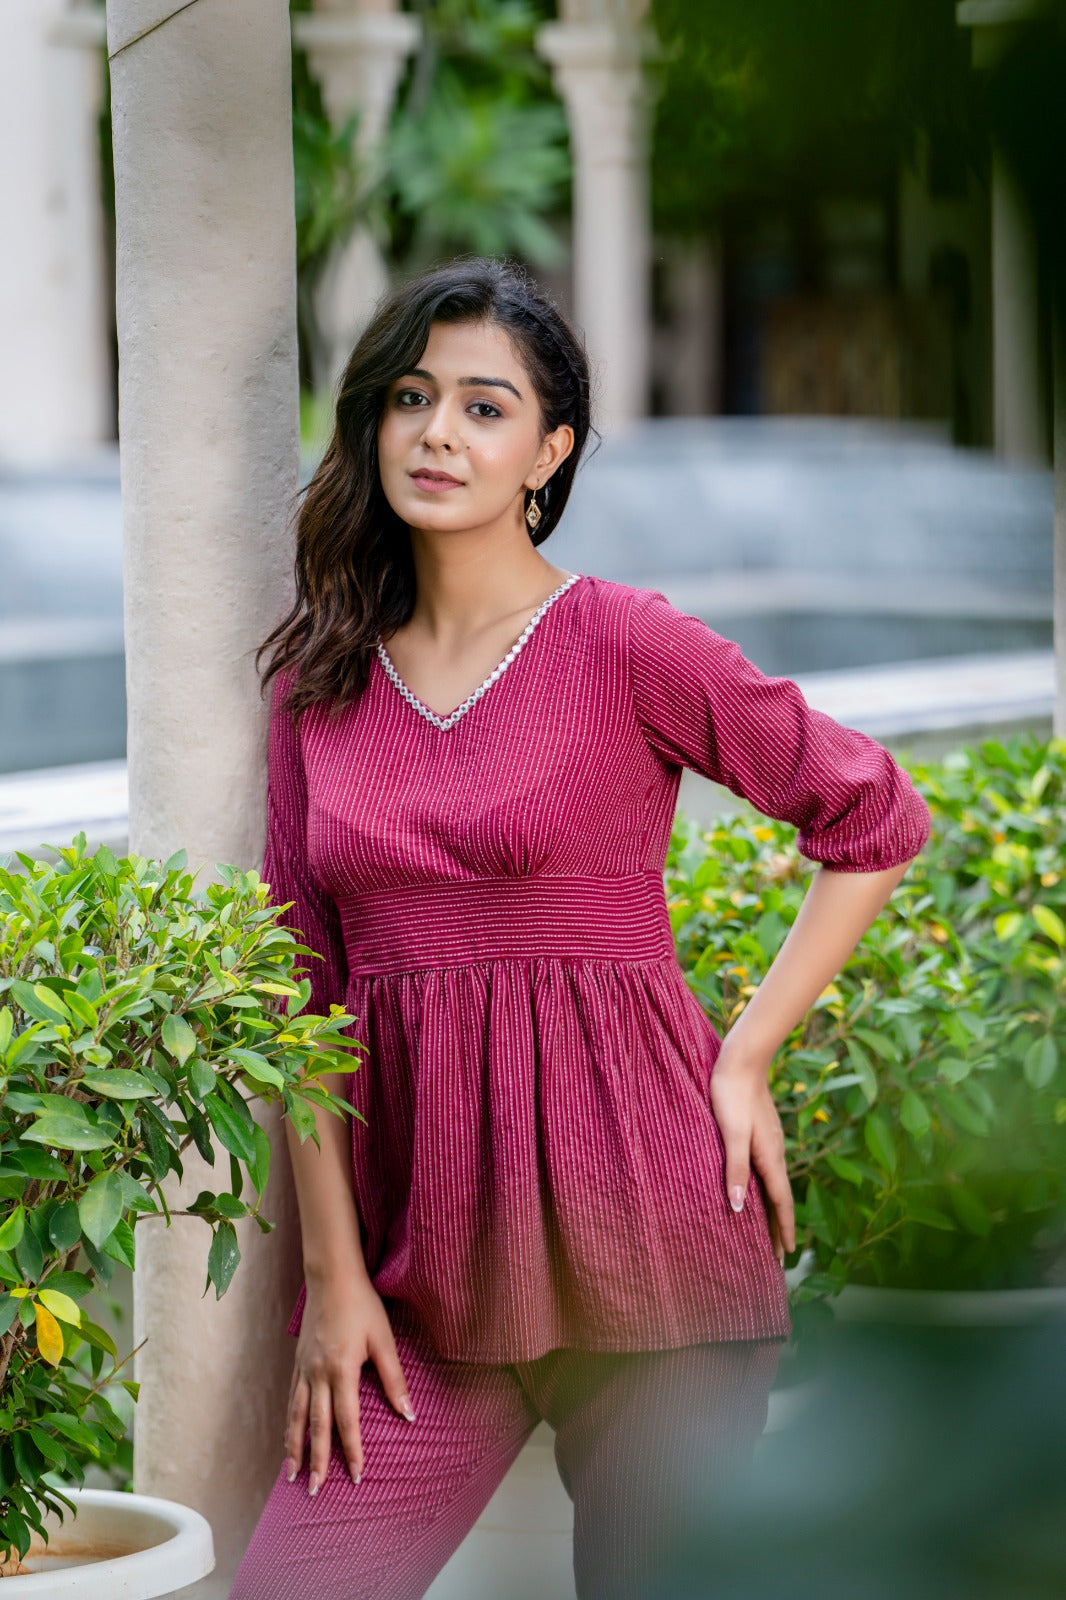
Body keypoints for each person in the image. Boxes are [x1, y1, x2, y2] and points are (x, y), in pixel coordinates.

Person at [228, 256, 932, 1600]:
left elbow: (871, 818)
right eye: (412, 397)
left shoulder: (620, 641)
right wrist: (333, 1283)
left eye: (484, 408)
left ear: (548, 451)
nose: (437, 432)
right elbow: (297, 992)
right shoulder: (316, 685)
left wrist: (744, 1057)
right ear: (373, 418)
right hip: (416, 1289)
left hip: (656, 1260)